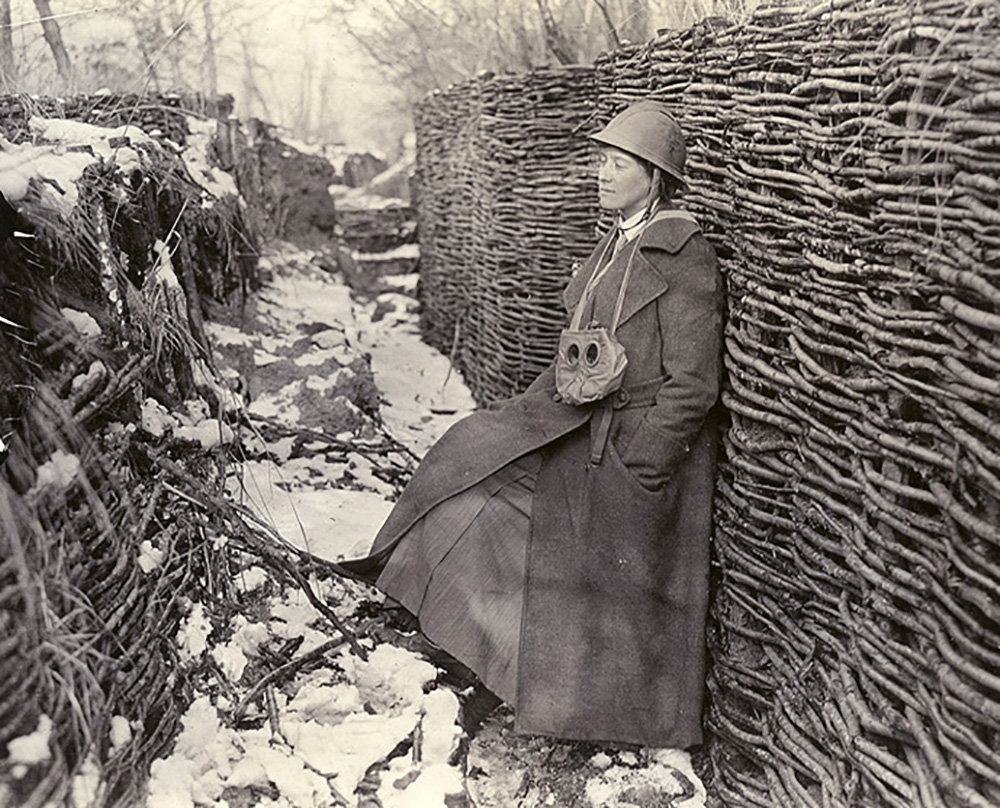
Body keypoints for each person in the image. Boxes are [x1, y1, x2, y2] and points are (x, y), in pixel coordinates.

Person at [344, 100, 724, 749]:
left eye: (617, 163)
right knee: (472, 465)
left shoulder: (682, 253)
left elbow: (693, 386)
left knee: (554, 549)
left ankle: (583, 709)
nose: (601, 174)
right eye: (601, 161)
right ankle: (484, 652)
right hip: (584, 431)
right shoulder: (614, 245)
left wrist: (645, 463)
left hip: (640, 459)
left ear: (654, 176)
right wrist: (525, 418)